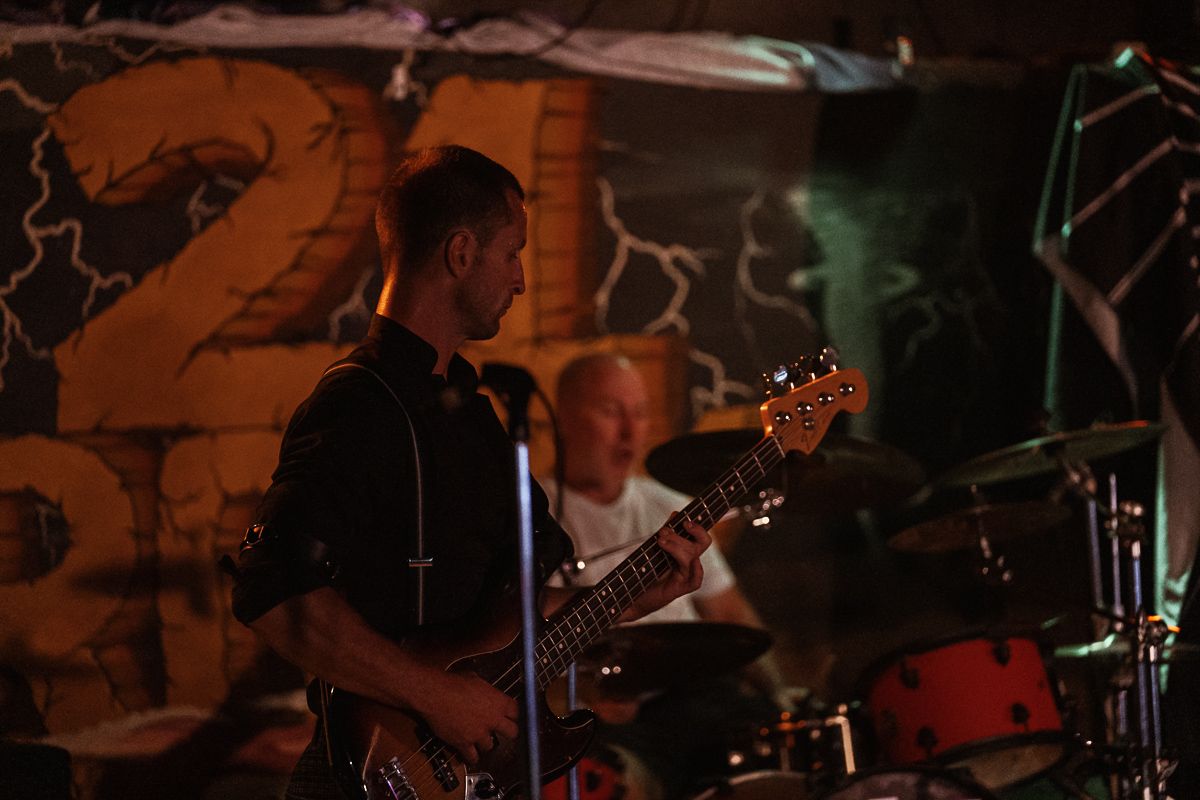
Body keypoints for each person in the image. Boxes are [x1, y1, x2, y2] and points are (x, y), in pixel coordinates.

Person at [227, 145, 712, 800]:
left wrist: (632, 598)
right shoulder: (358, 405)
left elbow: (506, 617)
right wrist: (436, 696)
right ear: (460, 253)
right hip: (368, 776)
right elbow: (272, 591)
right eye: (511, 253)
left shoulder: (472, 417)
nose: (520, 279)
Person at [541, 353, 809, 797]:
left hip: (696, 700)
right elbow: (513, 639)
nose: (629, 431)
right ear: (563, 417)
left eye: (640, 413)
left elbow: (730, 615)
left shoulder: (667, 505)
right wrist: (578, 695)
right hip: (600, 724)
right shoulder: (533, 515)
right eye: (610, 411)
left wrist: (782, 696)